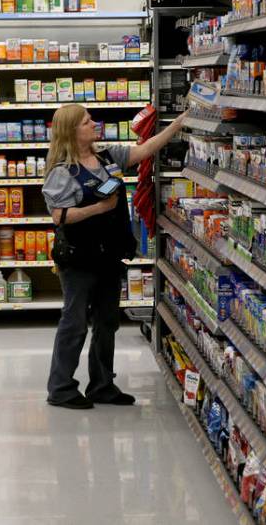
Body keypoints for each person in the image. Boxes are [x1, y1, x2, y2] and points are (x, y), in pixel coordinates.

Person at [42, 104, 188, 409]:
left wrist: (179, 123)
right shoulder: (62, 171)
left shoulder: (108, 157)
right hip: (78, 259)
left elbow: (146, 149)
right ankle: (61, 388)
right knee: (75, 322)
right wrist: (99, 208)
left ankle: (102, 385)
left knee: (107, 321)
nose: (94, 124)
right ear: (72, 131)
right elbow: (59, 216)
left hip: (109, 256)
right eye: (87, 122)